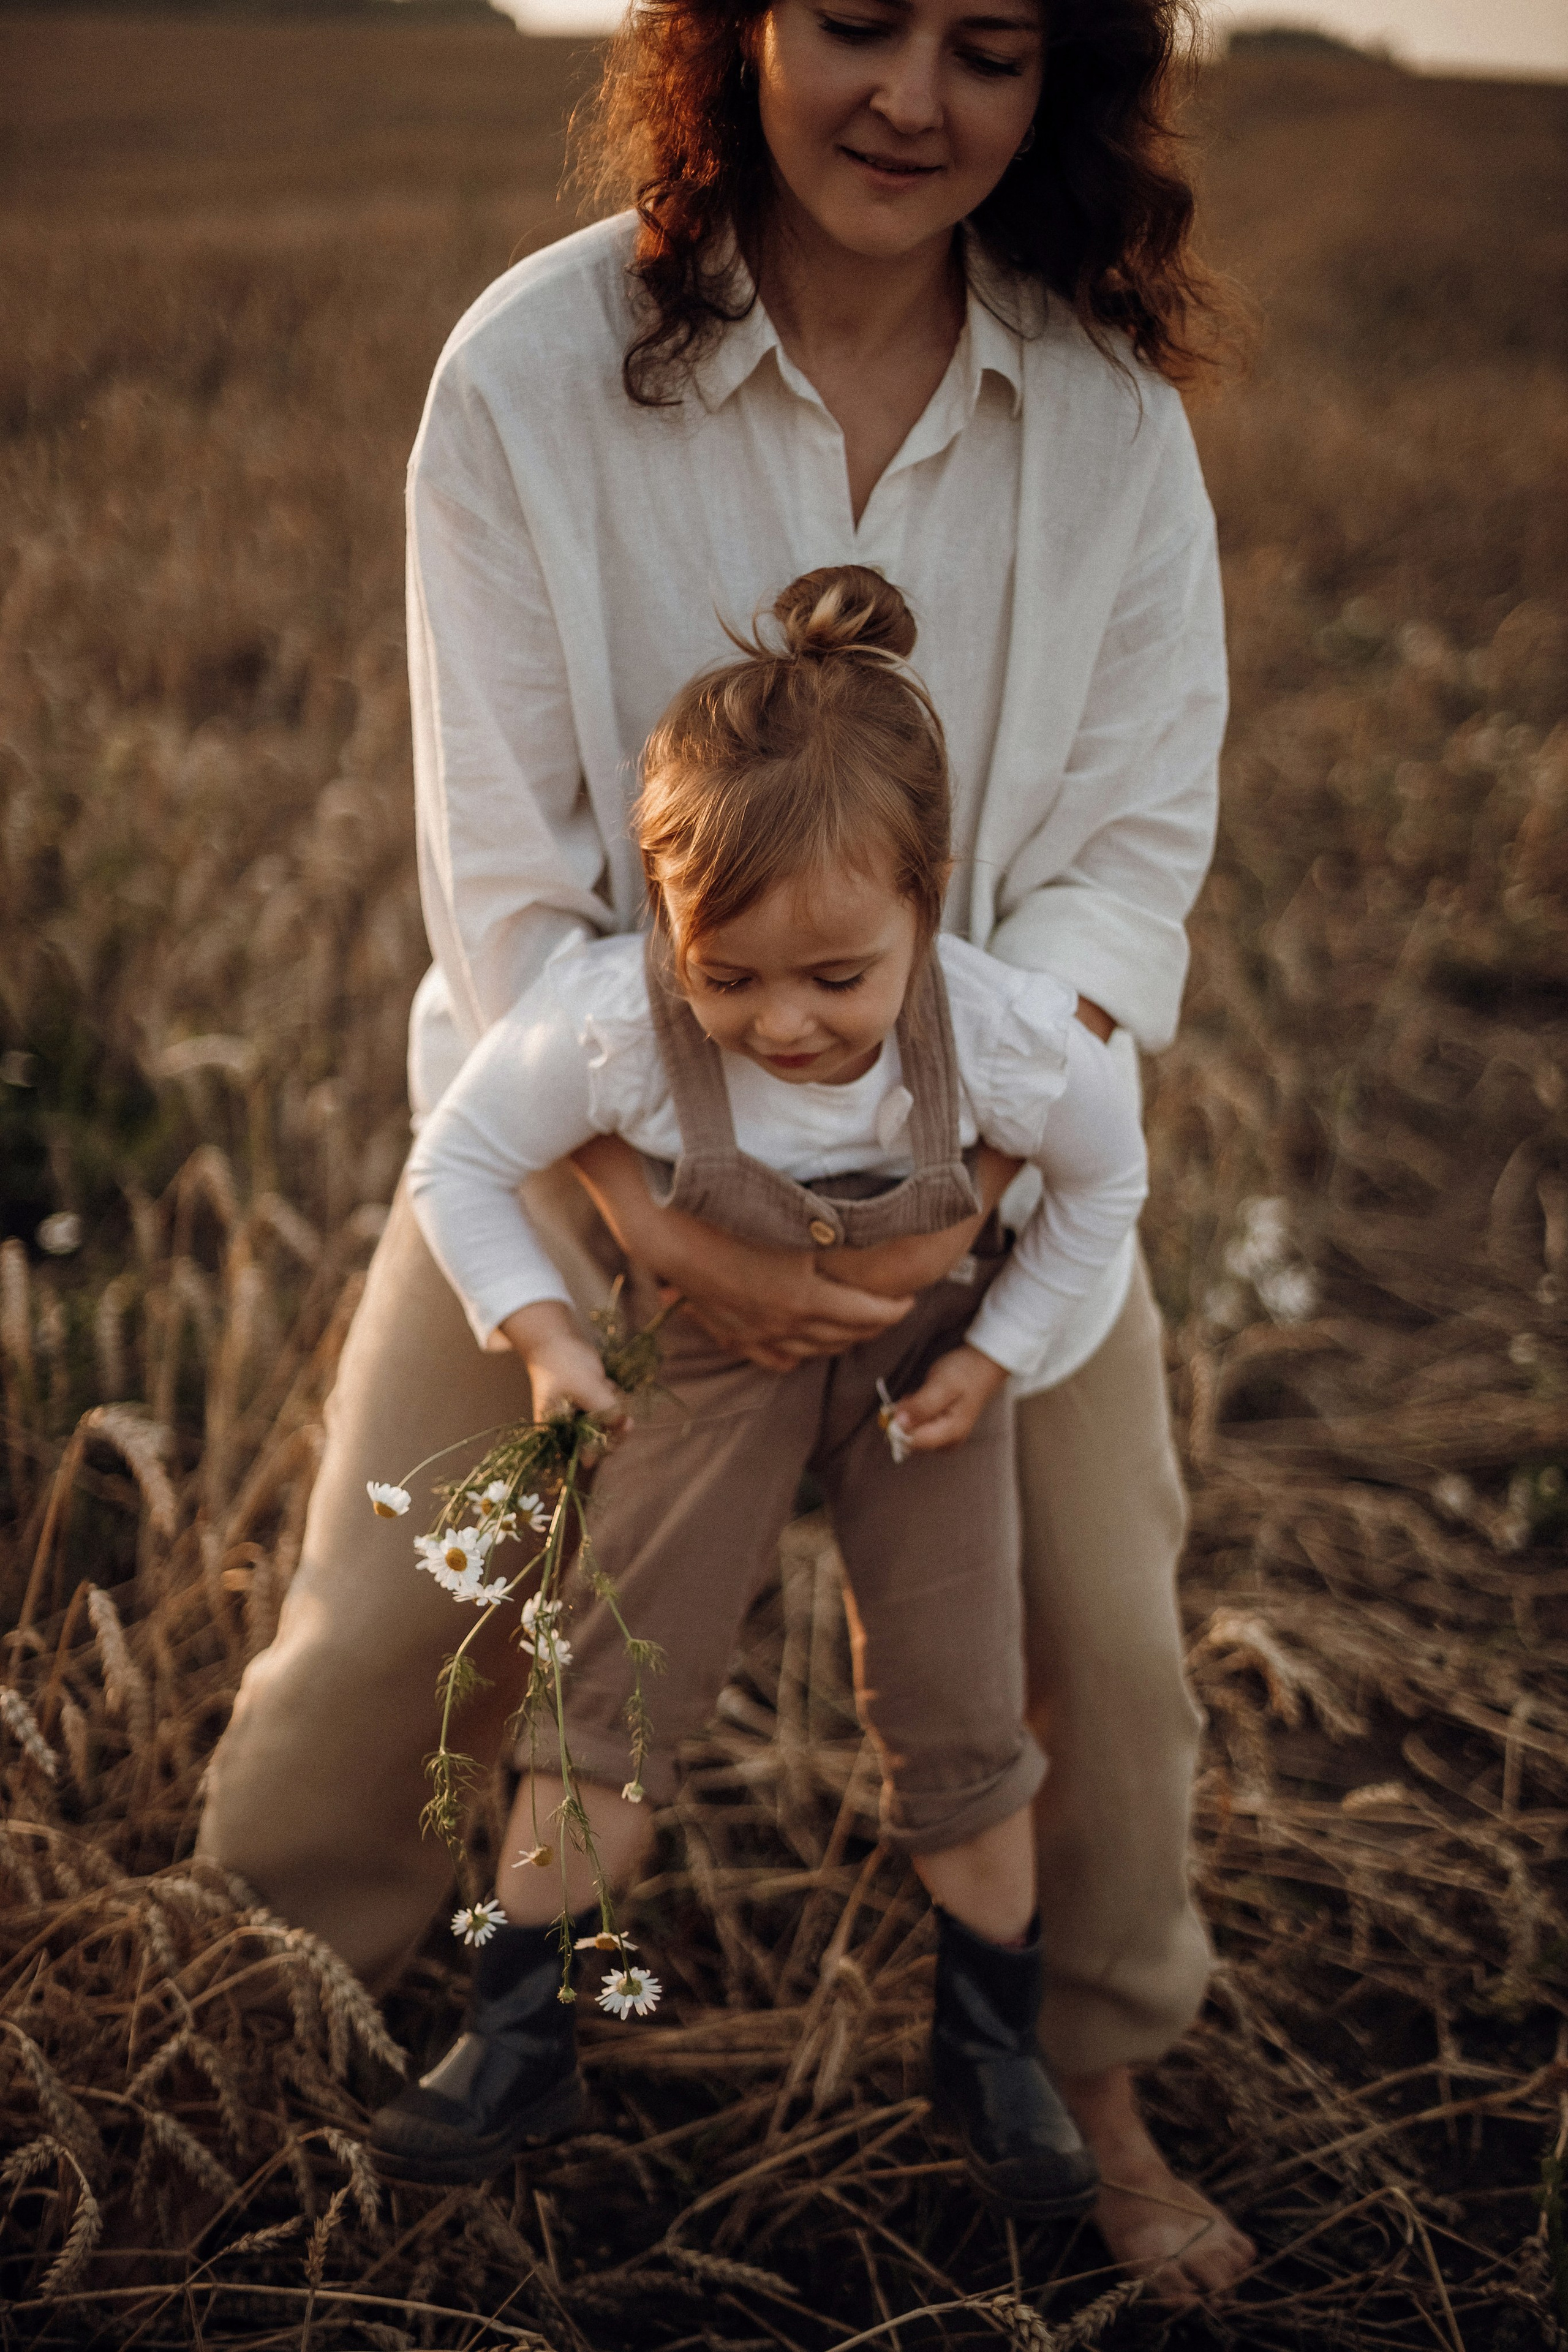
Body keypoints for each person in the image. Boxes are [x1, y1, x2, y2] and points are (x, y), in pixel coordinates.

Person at [198, 0, 1254, 2303]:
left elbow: (1135, 832)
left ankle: (1086, 2085)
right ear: (732, 32)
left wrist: (973, 1170)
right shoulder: (534, 371)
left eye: (989, 47)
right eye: (854, 20)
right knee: (399, 1609)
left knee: (1098, 1633)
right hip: (585, 1119)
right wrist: (646, 1220)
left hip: (981, 1162)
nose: (911, 97)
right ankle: (268, 2032)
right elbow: (507, 875)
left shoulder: (1105, 415)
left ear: (1061, 80)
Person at [368, 565, 1148, 2204]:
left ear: (927, 903)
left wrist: (999, 1353)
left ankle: (991, 2044)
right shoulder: (612, 1028)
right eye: (728, 978)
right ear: (667, 921)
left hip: (924, 1372)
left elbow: (1107, 1187)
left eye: (836, 982)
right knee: (611, 1679)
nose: (779, 1026)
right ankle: (520, 2029)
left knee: (961, 1699)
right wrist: (551, 1339)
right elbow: (457, 1166)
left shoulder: (1010, 1040)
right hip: (709, 1356)